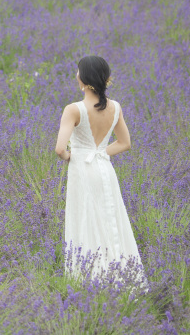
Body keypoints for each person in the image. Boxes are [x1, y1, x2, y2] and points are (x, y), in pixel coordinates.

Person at [54, 55, 146, 286]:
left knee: (84, 220)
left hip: (82, 170)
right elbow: (125, 143)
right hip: (105, 169)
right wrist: (102, 153)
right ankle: (120, 276)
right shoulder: (115, 107)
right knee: (111, 219)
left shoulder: (73, 109)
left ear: (84, 78)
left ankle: (89, 280)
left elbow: (59, 149)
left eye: (78, 71)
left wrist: (71, 156)